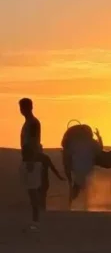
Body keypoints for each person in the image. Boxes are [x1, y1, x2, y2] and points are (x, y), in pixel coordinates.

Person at [18, 98, 42, 231]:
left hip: (31, 160)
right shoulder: (28, 123)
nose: (21, 110)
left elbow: (33, 142)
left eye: (22, 107)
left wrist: (32, 160)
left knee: (33, 192)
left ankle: (36, 220)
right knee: (30, 191)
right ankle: (33, 220)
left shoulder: (33, 123)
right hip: (28, 159)